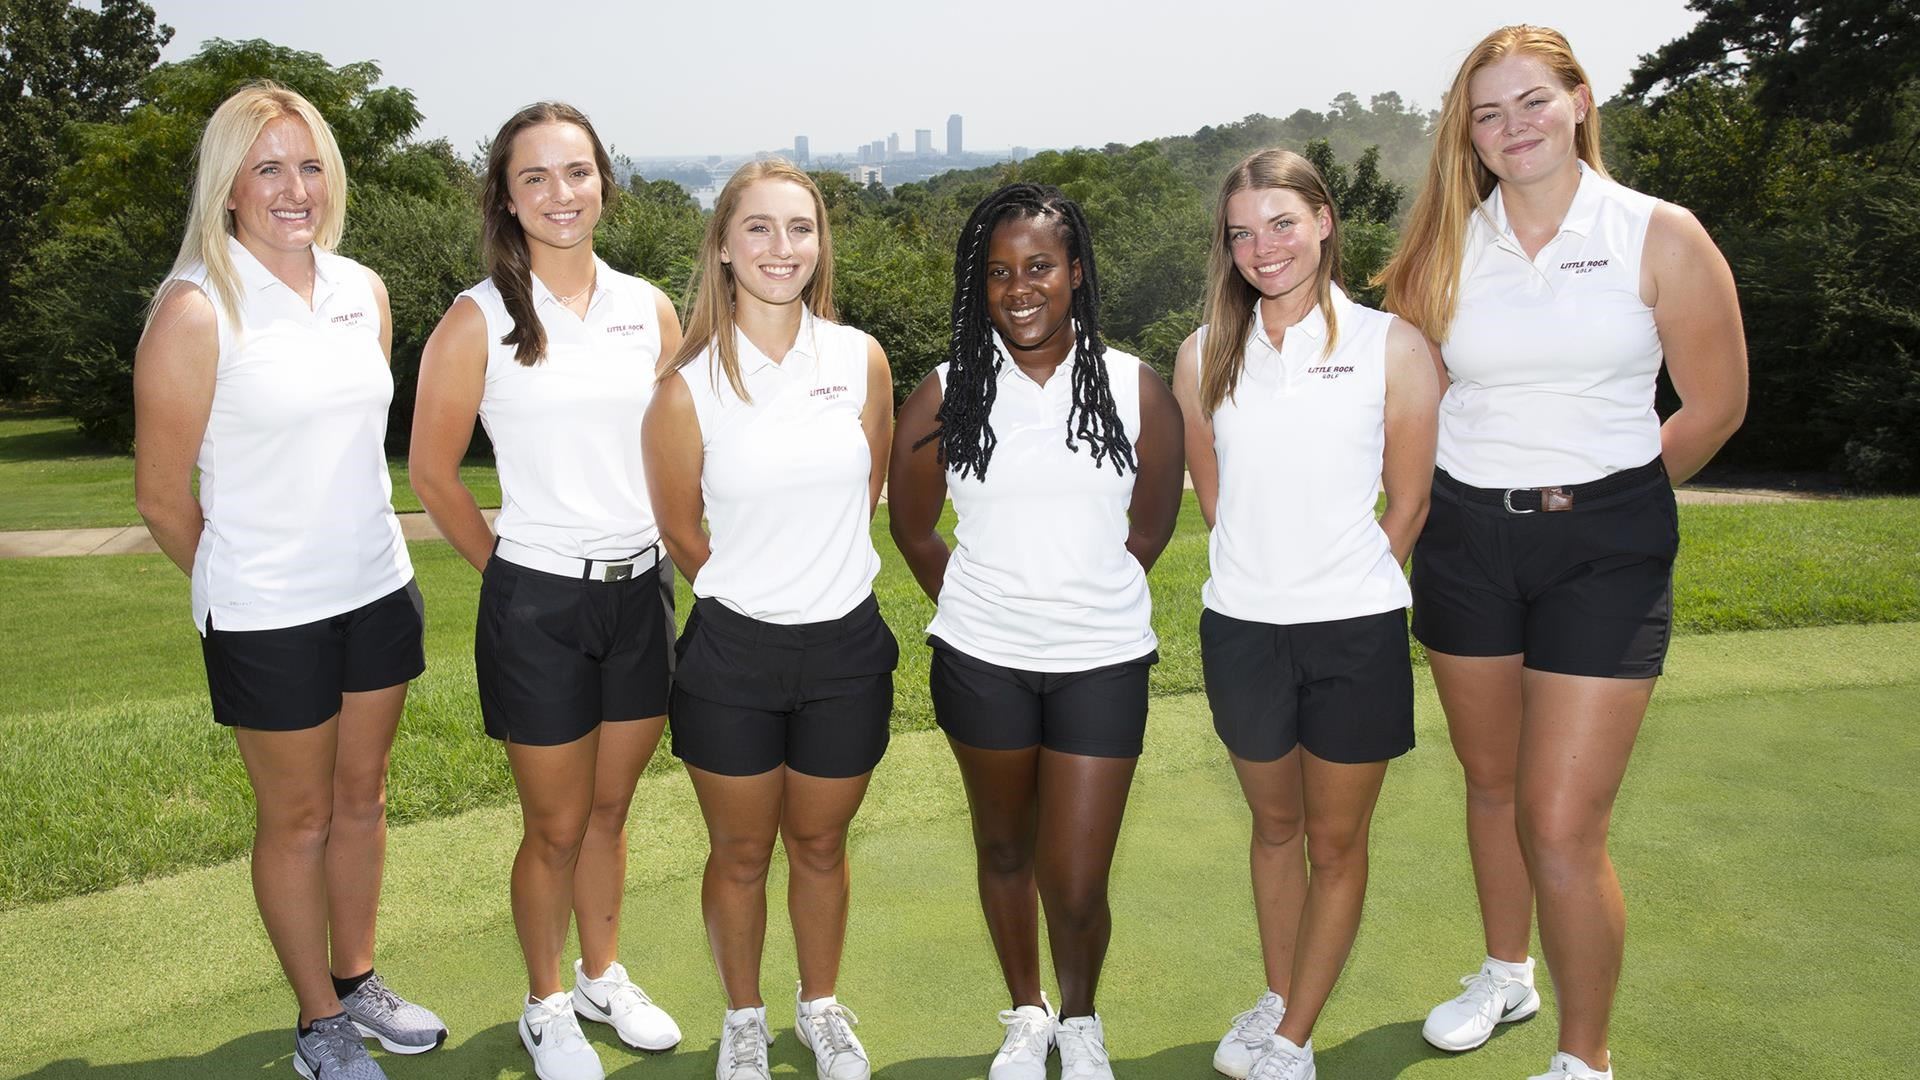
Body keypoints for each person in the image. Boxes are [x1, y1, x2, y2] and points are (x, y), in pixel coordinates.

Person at [1374, 25, 1747, 1080]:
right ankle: (1506, 970)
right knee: (1490, 784)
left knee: (1560, 819)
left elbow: (1716, 404)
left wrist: (1609, 502)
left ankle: (1586, 1060)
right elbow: (1412, 406)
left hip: (1606, 550)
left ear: (1581, 100)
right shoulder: (1444, 249)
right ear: (1470, 135)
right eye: (1487, 114)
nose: (1512, 128)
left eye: (1532, 101)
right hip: (1466, 542)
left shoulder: (1658, 234)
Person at [133, 81, 446, 1080]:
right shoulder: (195, 308)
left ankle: (357, 982)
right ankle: (318, 1022)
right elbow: (161, 498)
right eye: (267, 167)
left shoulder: (363, 289)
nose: (293, 187)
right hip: (269, 612)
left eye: (309, 165)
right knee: (299, 818)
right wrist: (246, 584)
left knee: (363, 800)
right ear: (229, 185)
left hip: (376, 587)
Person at [408, 102, 684, 1080]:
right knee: (556, 826)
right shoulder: (475, 318)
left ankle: (604, 973)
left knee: (611, 814)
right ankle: (546, 1001)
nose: (559, 194)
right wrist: (512, 574)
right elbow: (432, 474)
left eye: (576, 172)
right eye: (536, 178)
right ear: (508, 198)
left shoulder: (649, 306)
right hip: (539, 607)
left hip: (642, 592)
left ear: (604, 182)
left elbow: (678, 448)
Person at [889, 183, 1184, 1080]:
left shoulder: (1136, 385)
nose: (1021, 288)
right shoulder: (944, 391)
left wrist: (1076, 597)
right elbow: (911, 526)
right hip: (982, 663)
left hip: (1102, 661)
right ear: (981, 287)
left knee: (1079, 876)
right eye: (1000, 272)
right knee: (1005, 848)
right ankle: (1027, 1011)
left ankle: (1081, 1016)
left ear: (1076, 274)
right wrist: (982, 604)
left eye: (1040, 267)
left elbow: (1153, 526)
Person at [1172, 149, 1442, 1080]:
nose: (1263, 247)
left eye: (1282, 222)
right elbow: (1216, 499)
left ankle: (1292, 1041)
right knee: (1275, 827)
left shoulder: (1392, 346)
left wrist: (1345, 584)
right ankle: (1284, 998)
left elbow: (1408, 503)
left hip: (1354, 630)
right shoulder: (1203, 352)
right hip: (1241, 627)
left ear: (1325, 221)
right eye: (1243, 232)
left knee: (1336, 838)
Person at [642, 160, 896, 1080]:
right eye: (758, 228)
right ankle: (743, 1017)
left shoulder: (859, 357)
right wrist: (758, 587)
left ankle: (819, 1006)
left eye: (800, 228)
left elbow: (868, 486)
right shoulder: (687, 386)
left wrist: (812, 583)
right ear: (722, 245)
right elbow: (679, 529)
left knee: (822, 844)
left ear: (820, 243)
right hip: (734, 655)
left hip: (846, 648)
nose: (781, 249)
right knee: (742, 850)